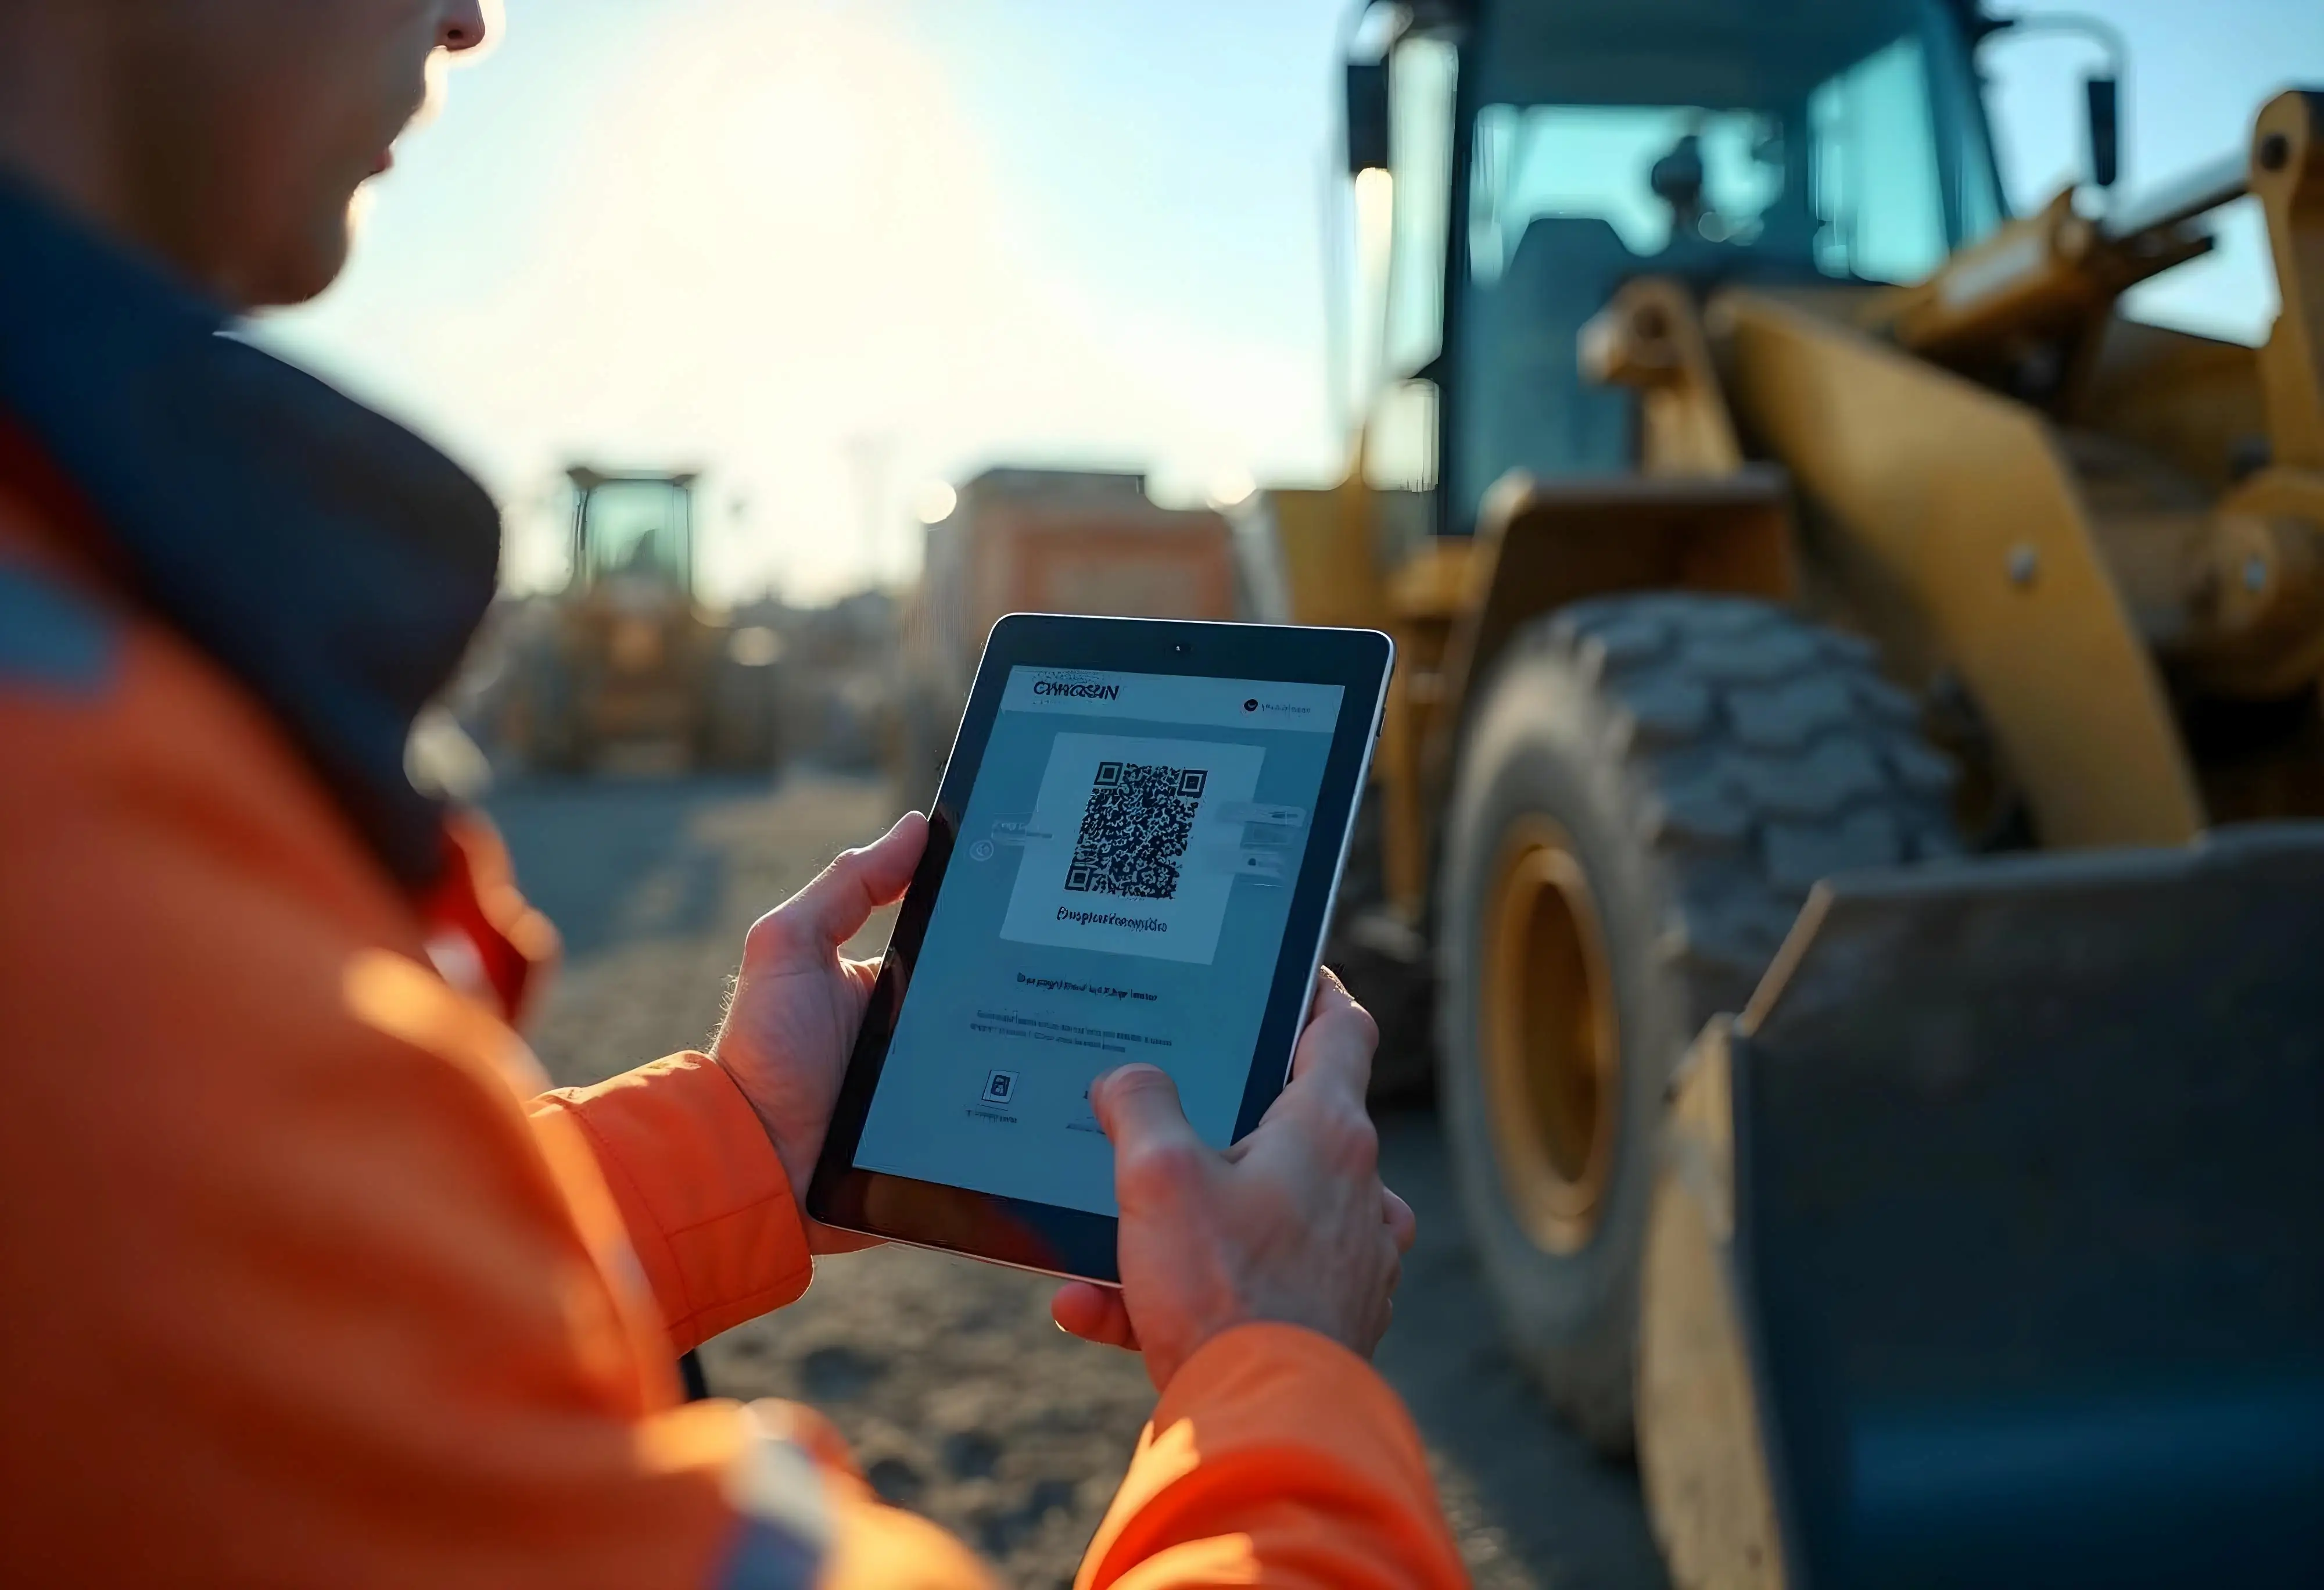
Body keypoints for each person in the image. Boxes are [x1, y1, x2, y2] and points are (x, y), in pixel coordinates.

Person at [0, 3, 1464, 1585]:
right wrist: (1278, 1377)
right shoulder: (80, 834)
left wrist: (748, 1143)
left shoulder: (102, 678)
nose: (471, 15)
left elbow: (271, 1310)